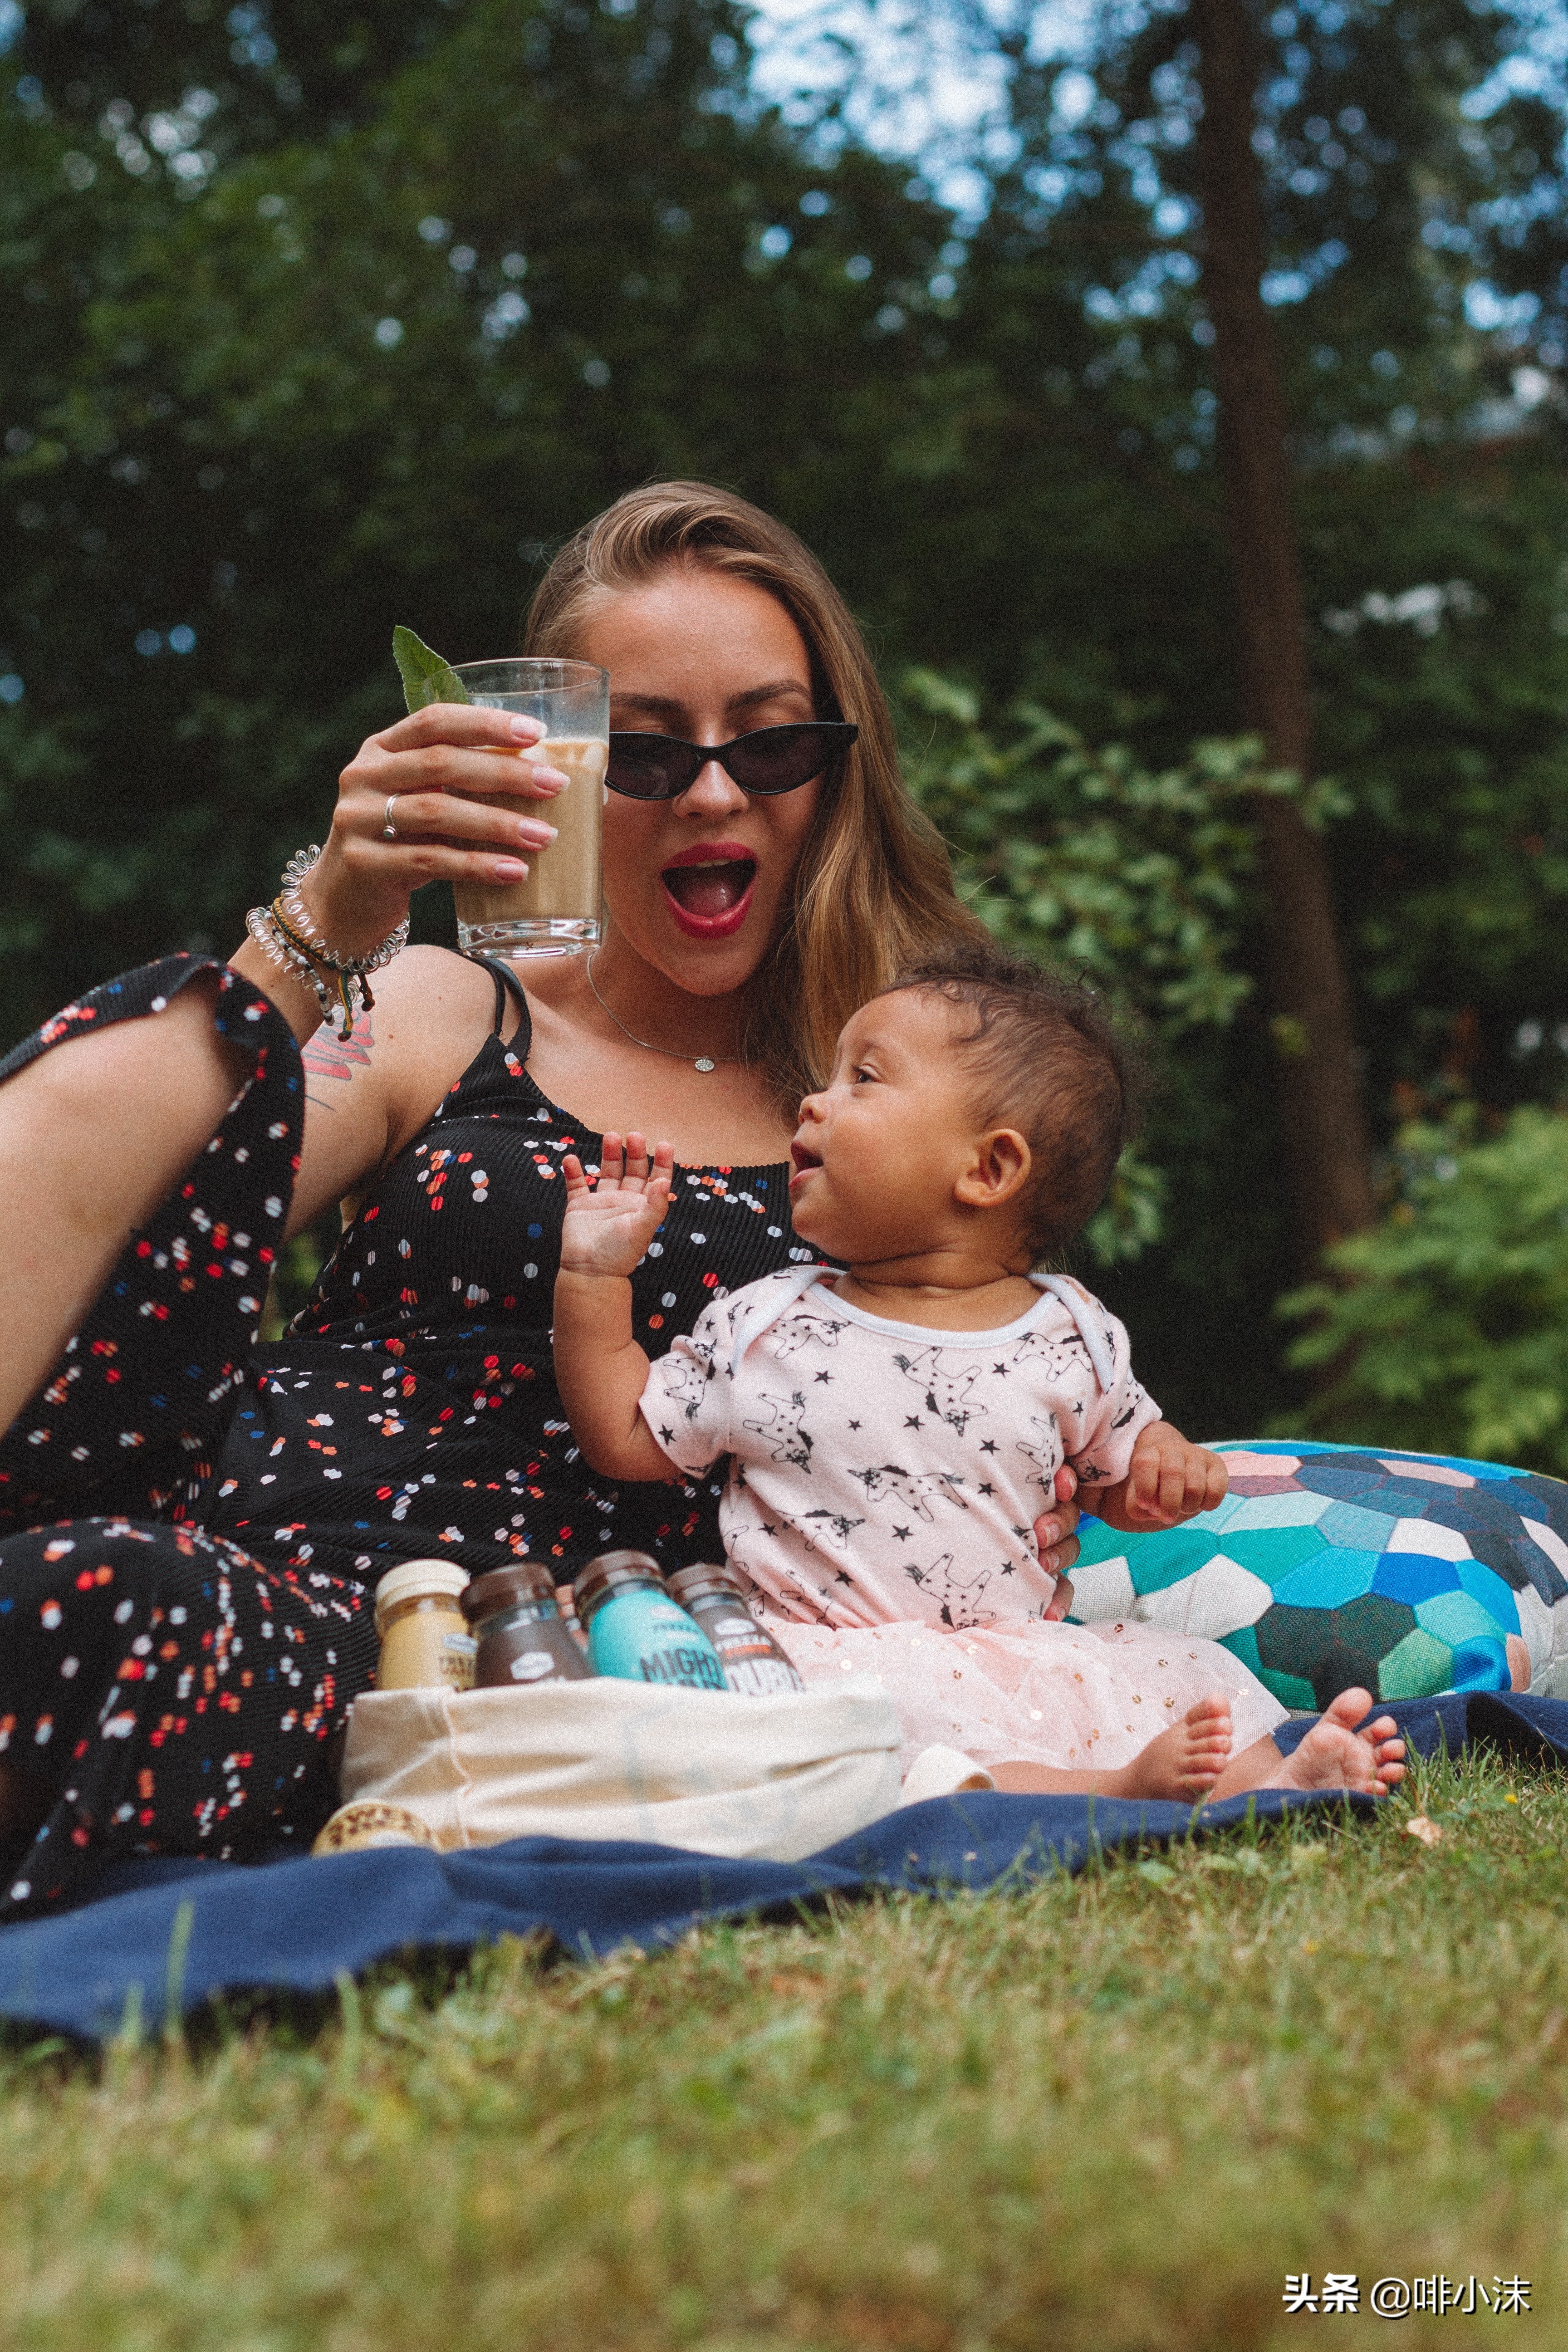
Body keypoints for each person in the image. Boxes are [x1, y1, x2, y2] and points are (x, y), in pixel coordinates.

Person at [0, 481, 1086, 1915]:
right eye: (638, 755)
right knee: (96, 1588)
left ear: (840, 767)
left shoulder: (891, 1107)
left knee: (95, 1609)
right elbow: (117, 1214)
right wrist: (321, 922)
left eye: (770, 739)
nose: (712, 792)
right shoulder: (446, 1008)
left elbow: (1007, 1376)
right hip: (249, 1572)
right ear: (544, 769)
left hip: (569, 1681)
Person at [553, 940, 1408, 1800]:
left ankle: (1280, 1779)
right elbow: (627, 1434)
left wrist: (1163, 1471)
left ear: (989, 1168)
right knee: (925, 1771)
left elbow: (1117, 1472)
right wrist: (593, 1275)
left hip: (1018, 1661)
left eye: (865, 1079)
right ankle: (1113, 1794)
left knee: (1171, 1692)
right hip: (824, 1661)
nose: (814, 1101)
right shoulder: (766, 1323)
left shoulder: (1072, 1333)